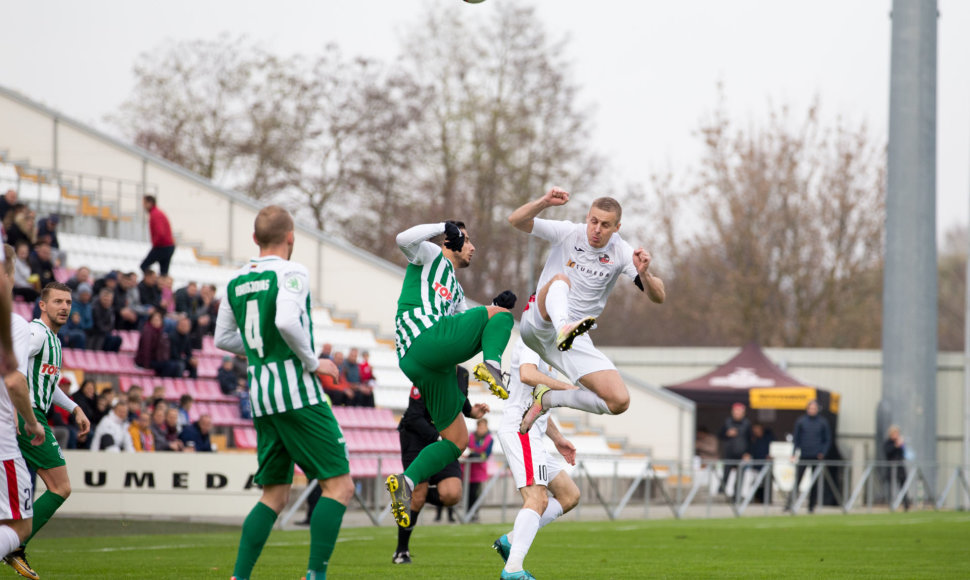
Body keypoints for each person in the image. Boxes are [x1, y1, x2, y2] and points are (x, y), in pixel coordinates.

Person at [214, 205, 353, 580]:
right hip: (297, 394)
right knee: (339, 486)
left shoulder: (236, 281)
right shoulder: (292, 271)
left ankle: (239, 576)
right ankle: (315, 575)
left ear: (254, 239)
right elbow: (287, 320)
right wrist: (313, 362)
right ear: (291, 237)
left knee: (273, 495)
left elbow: (222, 338)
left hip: (260, 397)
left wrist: (264, 350)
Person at [385, 219, 515, 529]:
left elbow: (464, 324)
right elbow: (403, 237)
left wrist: (492, 307)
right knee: (503, 318)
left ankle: (406, 482)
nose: (472, 248)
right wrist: (443, 226)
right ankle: (493, 367)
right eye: (468, 241)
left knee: (458, 440)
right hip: (424, 339)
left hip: (429, 363)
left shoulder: (454, 288)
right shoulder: (429, 254)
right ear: (452, 241)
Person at [508, 188, 665, 434]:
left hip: (574, 338)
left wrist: (644, 273)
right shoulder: (568, 233)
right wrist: (544, 202)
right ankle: (564, 328)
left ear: (617, 227)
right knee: (561, 280)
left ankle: (547, 400)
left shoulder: (623, 252)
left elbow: (658, 296)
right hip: (540, 322)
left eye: (605, 224)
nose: (597, 229)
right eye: (593, 221)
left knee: (619, 401)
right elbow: (516, 220)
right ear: (587, 218)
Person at [4, 282, 91, 577]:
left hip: (30, 414)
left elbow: (48, 386)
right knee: (60, 487)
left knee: (21, 492)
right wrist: (18, 411)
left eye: (68, 302)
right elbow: (10, 368)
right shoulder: (35, 333)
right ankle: (14, 544)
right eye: (57, 301)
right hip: (27, 416)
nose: (65, 307)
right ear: (42, 305)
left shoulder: (53, 340)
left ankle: (13, 541)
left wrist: (75, 408)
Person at [493, 338, 581, 580]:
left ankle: (511, 540)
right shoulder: (532, 339)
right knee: (537, 498)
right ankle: (512, 570)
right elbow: (527, 375)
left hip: (535, 434)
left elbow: (538, 402)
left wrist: (558, 439)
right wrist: (568, 388)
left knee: (569, 494)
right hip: (522, 429)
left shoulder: (548, 347)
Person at [392, 366, 488, 564]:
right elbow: (414, 416)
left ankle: (409, 492)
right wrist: (438, 437)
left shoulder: (462, 373)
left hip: (444, 439)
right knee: (417, 494)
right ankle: (401, 551)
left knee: (452, 494)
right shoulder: (429, 371)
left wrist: (471, 412)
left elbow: (459, 404)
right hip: (417, 438)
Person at [0, 243, 46, 580]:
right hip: (1, 442)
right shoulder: (14, 323)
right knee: (20, 525)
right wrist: (32, 421)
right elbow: (15, 380)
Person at [785, 400, 832, 514]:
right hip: (804, 455)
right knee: (797, 480)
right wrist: (793, 453)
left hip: (817, 456)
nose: (812, 410)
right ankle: (789, 504)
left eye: (814, 408)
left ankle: (811, 506)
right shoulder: (801, 421)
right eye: (810, 408)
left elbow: (827, 440)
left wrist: (823, 452)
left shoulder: (823, 422)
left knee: (814, 482)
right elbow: (796, 439)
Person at [718, 402, 752, 500]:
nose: (737, 413)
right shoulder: (727, 422)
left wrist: (748, 453)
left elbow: (750, 439)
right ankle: (720, 494)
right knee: (726, 475)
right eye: (735, 411)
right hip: (729, 453)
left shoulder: (747, 424)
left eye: (739, 411)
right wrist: (727, 434)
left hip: (741, 454)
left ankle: (736, 496)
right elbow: (720, 435)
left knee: (740, 477)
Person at [466, 417, 494, 522]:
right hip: (468, 470)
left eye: (483, 426)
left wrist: (474, 453)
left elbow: (486, 455)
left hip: (479, 470)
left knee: (476, 494)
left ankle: (474, 514)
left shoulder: (489, 439)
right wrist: (476, 453)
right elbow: (468, 449)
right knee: (468, 494)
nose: (481, 428)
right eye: (480, 426)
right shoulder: (471, 436)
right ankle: (467, 514)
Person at [140, 195, 176, 276]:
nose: (143, 206)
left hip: (162, 246)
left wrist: (155, 245)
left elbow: (160, 233)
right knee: (164, 273)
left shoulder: (155, 214)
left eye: (144, 203)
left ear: (150, 203)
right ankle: (160, 286)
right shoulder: (157, 213)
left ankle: (152, 282)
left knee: (143, 266)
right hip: (168, 246)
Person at [883, 425, 910, 510]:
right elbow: (887, 452)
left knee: (903, 487)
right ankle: (891, 504)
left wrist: (901, 445)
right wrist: (895, 446)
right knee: (891, 487)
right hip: (891, 468)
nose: (896, 435)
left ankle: (906, 504)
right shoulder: (888, 443)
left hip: (900, 468)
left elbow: (903, 453)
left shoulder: (900, 443)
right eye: (895, 433)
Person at [749, 423, 774, 504]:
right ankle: (755, 499)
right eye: (754, 429)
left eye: (757, 428)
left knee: (766, 484)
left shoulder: (768, 438)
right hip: (755, 466)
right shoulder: (753, 439)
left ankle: (766, 500)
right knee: (756, 484)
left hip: (766, 466)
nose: (756, 431)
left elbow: (773, 448)